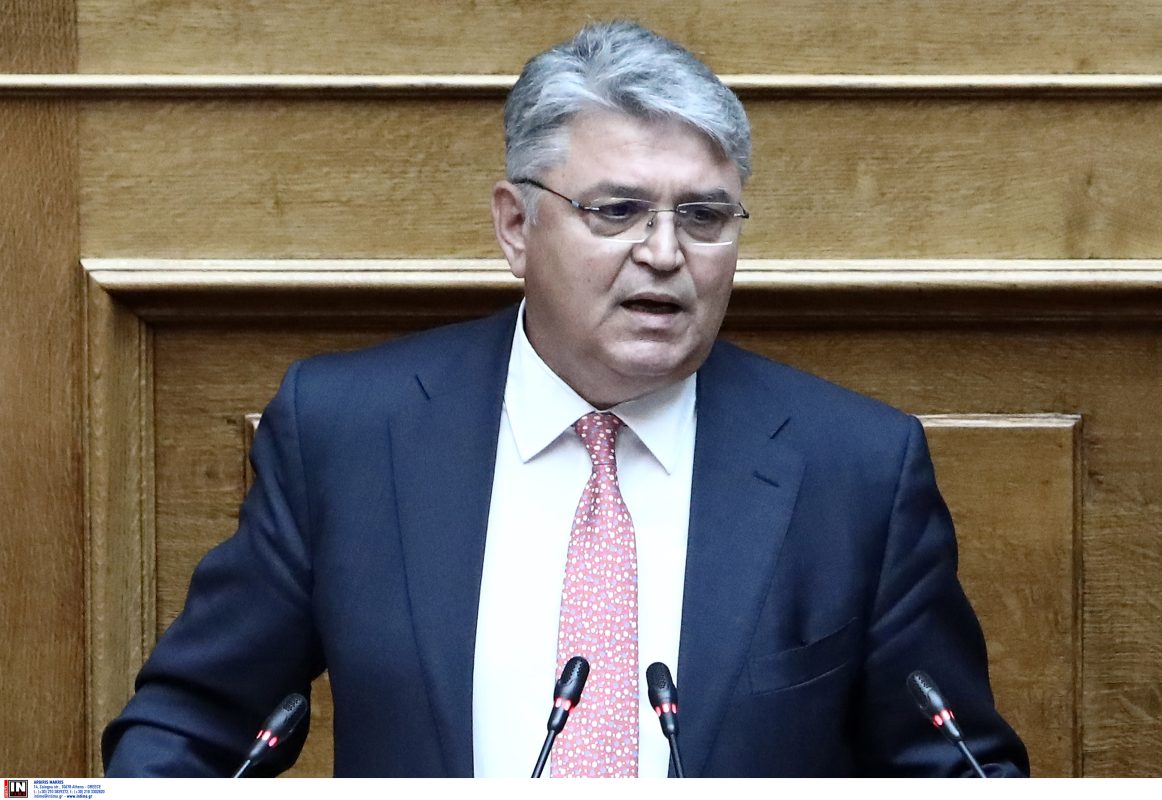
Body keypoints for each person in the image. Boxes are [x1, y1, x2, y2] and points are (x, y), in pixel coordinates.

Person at [103, 20, 1029, 777]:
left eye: (703, 217)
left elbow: (953, 763)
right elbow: (196, 726)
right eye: (617, 211)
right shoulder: (349, 433)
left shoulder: (855, 469)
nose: (664, 253)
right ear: (517, 225)